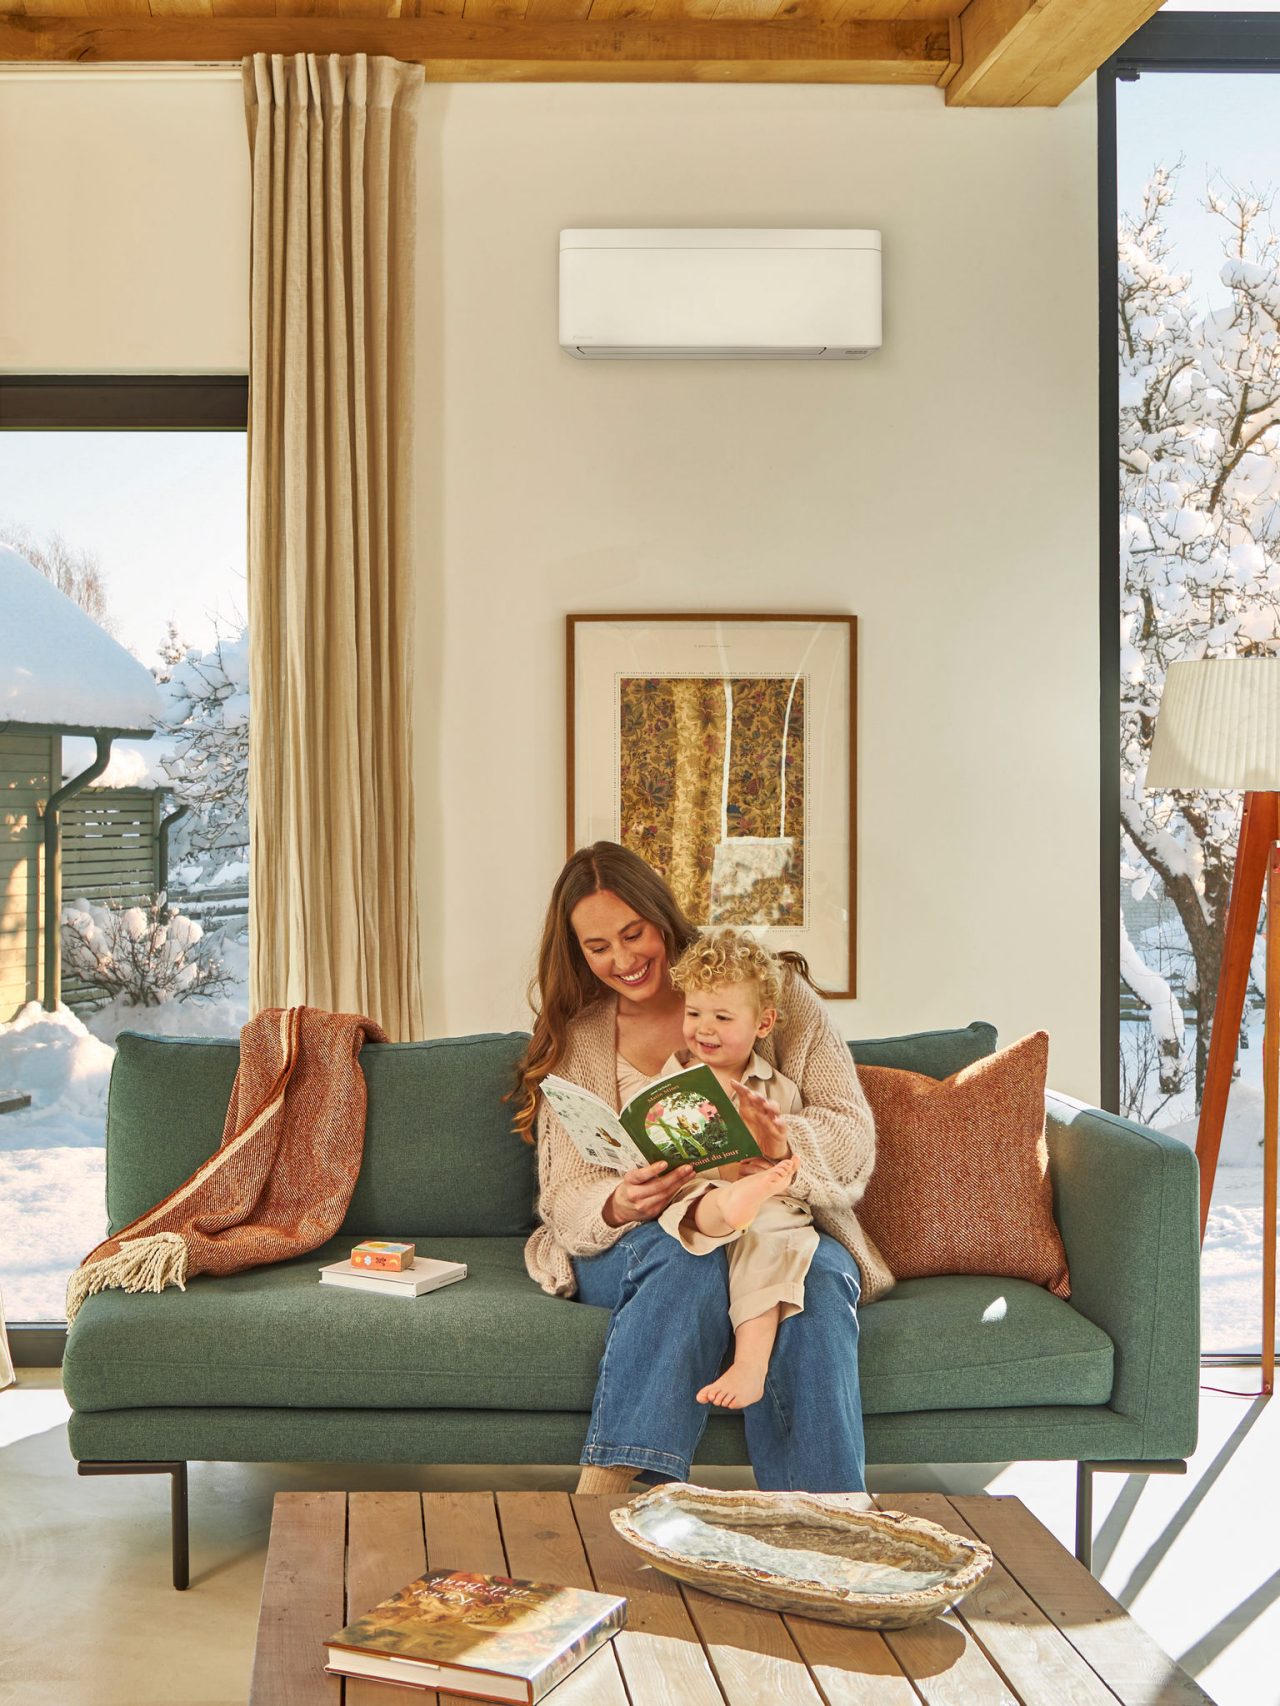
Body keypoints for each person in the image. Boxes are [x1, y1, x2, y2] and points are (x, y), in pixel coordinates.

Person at [513, 841, 892, 1498]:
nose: (623, 960)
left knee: (821, 1275)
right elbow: (567, 1194)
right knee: (683, 1253)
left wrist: (779, 1146)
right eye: (598, 947)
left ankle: (828, 1517)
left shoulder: (773, 995)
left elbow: (852, 1132)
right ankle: (619, 1492)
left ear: (663, 917)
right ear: (577, 953)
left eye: (634, 934)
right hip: (645, 1234)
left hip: (771, 1217)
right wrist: (619, 1202)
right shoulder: (579, 1040)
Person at [654, 928, 818, 1412]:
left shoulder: (777, 1089)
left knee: (774, 1228)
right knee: (689, 1206)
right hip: (700, 1201)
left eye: (722, 1017)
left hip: (762, 1203)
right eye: (694, 1013)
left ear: (762, 1024)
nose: (704, 1029)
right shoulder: (670, 1081)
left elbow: (797, 1155)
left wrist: (776, 1148)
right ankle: (731, 1202)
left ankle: (750, 1364)